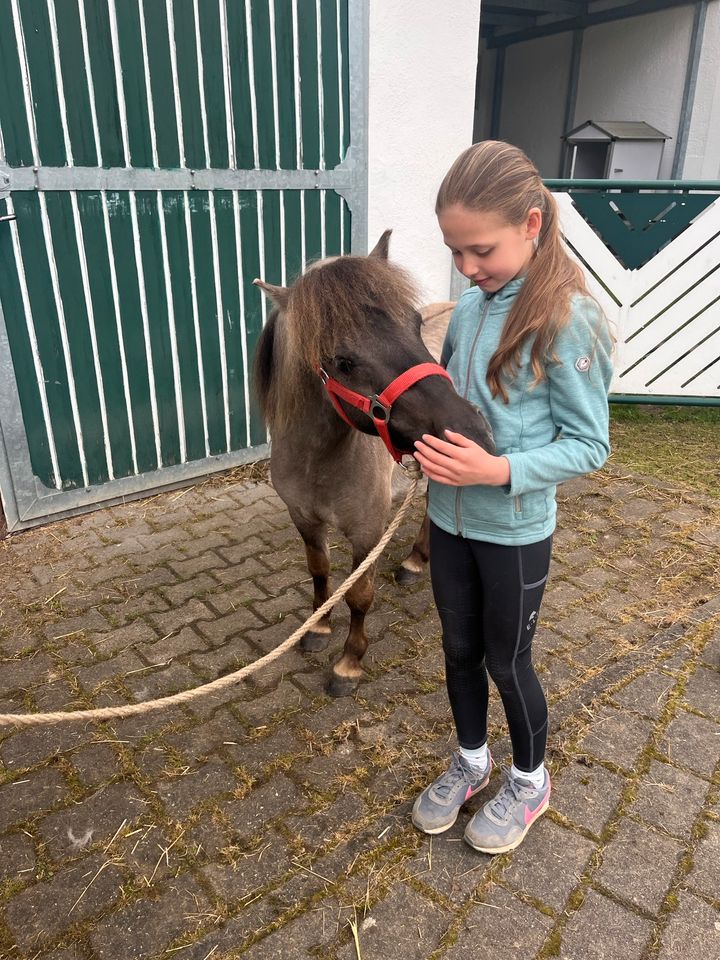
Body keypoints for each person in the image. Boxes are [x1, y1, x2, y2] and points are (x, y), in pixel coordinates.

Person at [411, 140, 614, 855]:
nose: (466, 268)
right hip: (447, 519)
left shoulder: (567, 318)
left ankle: (530, 780)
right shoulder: (467, 309)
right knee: (457, 649)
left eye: (480, 250)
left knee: (507, 661)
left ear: (531, 224)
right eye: (454, 251)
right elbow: (444, 402)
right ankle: (472, 762)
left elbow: (590, 445)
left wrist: (495, 473)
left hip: (515, 530)